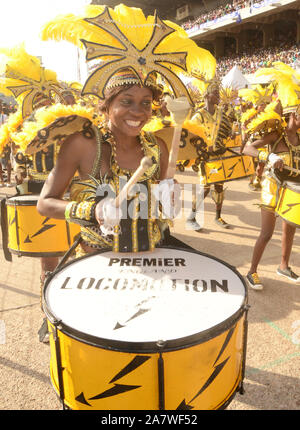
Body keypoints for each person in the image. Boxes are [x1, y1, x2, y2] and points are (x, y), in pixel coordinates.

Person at [243, 107, 300, 290]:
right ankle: (252, 271)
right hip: (272, 187)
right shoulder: (275, 135)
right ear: (293, 115)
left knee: (289, 229)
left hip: (291, 190)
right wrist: (268, 155)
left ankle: (283, 266)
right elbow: (247, 148)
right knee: (266, 233)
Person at [185, 79, 235, 231]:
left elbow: (227, 130)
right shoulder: (199, 116)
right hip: (205, 158)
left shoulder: (221, 113)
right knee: (205, 188)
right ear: (207, 96)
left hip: (219, 156)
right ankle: (191, 217)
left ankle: (218, 216)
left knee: (219, 187)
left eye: (218, 94)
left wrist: (231, 134)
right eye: (215, 93)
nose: (218, 96)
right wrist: (205, 146)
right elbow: (190, 135)